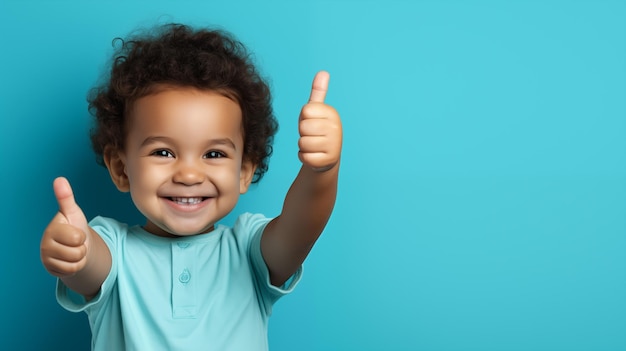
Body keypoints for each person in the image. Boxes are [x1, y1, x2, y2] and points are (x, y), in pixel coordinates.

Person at [40, 23, 342, 351]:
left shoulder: (249, 250)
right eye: (163, 152)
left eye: (213, 154)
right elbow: (89, 267)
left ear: (244, 171)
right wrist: (74, 250)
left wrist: (321, 171)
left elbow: (302, 226)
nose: (188, 174)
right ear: (120, 168)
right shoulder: (112, 248)